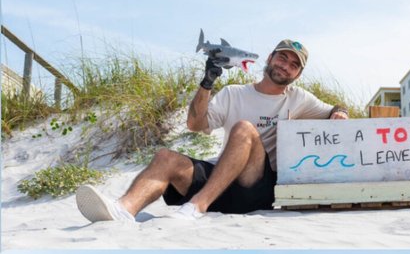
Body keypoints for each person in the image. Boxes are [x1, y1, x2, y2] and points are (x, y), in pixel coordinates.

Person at [75, 39, 348, 223]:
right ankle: (123, 210)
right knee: (165, 158)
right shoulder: (233, 93)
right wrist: (207, 82)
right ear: (270, 58)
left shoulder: (299, 98)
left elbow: (334, 108)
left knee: (243, 129)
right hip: (221, 183)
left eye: (293, 64)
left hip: (256, 188)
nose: (285, 66)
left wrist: (340, 111)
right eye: (282, 58)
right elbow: (195, 125)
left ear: (297, 74)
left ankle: (196, 207)